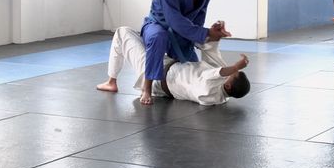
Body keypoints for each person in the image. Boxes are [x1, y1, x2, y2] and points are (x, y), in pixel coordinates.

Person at [140, 0, 229, 104]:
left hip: (182, 28)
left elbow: (201, 12)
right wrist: (205, 33)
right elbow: (173, 19)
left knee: (192, 67)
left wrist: (201, 35)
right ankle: (146, 87)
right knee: (158, 37)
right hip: (159, 24)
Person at [97, 26, 251, 105]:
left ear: (229, 86)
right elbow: (212, 53)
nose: (229, 71)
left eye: (231, 74)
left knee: (122, 32)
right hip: (169, 62)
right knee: (157, 36)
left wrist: (236, 67)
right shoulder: (222, 87)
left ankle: (111, 82)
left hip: (154, 75)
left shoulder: (210, 94)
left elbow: (219, 73)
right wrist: (215, 35)